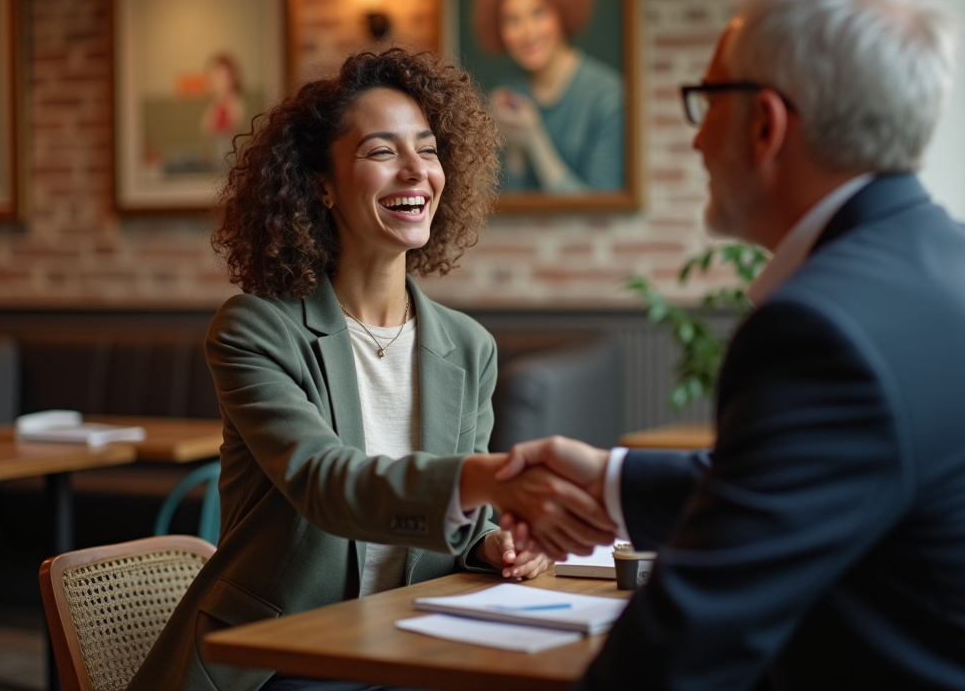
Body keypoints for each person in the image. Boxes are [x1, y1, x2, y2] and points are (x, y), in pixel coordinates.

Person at [497, 0, 965, 689]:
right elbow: (801, 485)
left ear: (765, 124)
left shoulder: (822, 328)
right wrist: (610, 479)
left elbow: (681, 649)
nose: (696, 138)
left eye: (707, 101)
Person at [128, 48, 615, 691]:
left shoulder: (470, 348)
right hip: (281, 661)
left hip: (413, 648)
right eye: (382, 152)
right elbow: (327, 485)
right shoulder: (255, 329)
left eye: (430, 149)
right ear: (321, 185)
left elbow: (459, 523)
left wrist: (495, 544)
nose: (416, 170)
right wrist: (491, 480)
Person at [470, 0, 623, 193]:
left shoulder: (609, 96)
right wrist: (512, 146)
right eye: (512, 20)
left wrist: (534, 139)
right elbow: (505, 208)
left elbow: (600, 212)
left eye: (538, 13)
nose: (528, 32)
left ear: (562, 12)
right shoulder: (508, 91)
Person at [200, 52, 246, 166]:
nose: (215, 81)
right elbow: (206, 128)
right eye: (213, 77)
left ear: (231, 79)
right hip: (218, 160)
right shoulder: (215, 104)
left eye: (219, 77)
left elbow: (232, 128)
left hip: (230, 161)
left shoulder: (234, 102)